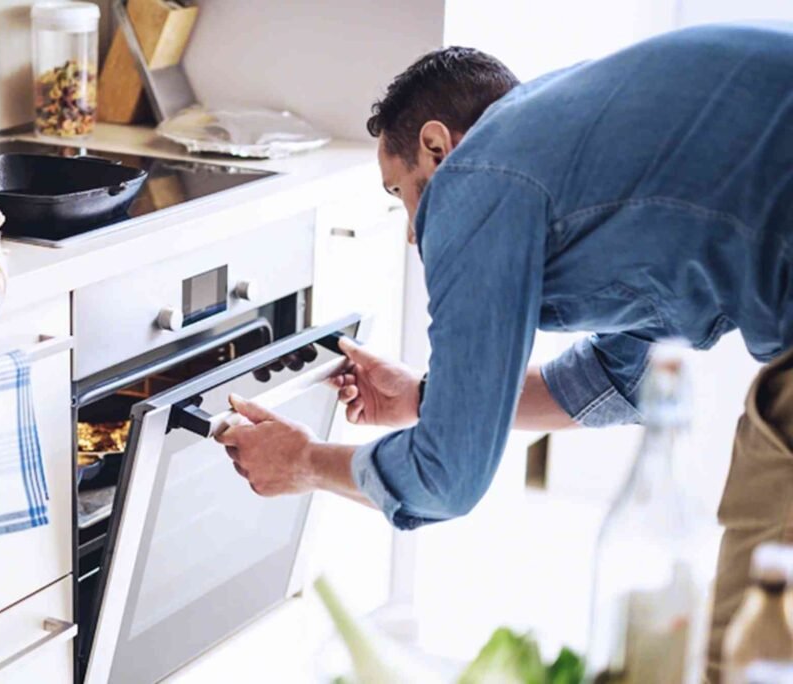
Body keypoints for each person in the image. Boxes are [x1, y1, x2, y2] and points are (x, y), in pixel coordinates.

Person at [214, 23, 793, 671]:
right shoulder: (586, 153)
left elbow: (449, 478)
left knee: (745, 648)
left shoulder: (476, 174)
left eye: (401, 195)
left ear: (437, 147)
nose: (413, 235)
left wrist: (304, 463)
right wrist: (430, 399)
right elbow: (619, 379)